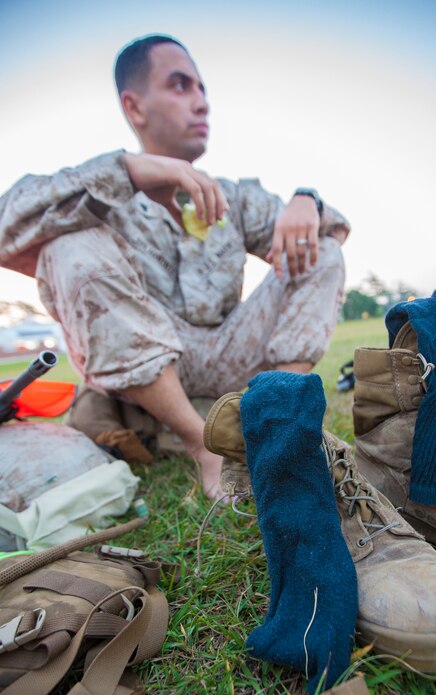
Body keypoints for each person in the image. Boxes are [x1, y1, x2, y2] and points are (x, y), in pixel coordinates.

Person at [0, 34, 350, 498]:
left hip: (230, 352)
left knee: (322, 248)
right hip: (147, 370)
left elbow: (333, 231)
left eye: (202, 89)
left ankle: (280, 419)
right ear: (135, 107)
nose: (201, 103)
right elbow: (8, 226)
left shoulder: (233, 196)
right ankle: (202, 446)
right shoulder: (95, 197)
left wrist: (308, 202)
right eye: (181, 86)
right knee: (70, 246)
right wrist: (128, 171)